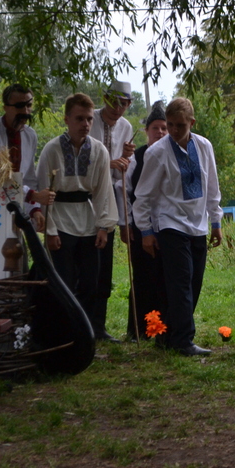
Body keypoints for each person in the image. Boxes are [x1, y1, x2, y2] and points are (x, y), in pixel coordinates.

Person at [132, 98, 223, 356]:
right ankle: (183, 340)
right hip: (170, 223)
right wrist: (146, 232)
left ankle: (168, 334)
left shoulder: (204, 146)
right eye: (169, 124)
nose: (173, 130)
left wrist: (215, 221)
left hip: (198, 223)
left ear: (192, 123)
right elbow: (143, 196)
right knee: (180, 281)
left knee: (194, 282)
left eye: (179, 125)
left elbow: (212, 186)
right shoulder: (157, 152)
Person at [36, 93, 119, 342]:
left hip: (88, 219)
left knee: (91, 283)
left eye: (89, 119)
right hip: (60, 220)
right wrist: (49, 230)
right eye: (79, 118)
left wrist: (104, 226)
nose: (85, 124)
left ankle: (87, 332)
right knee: (63, 281)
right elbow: (43, 191)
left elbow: (104, 190)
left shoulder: (99, 151)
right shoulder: (51, 149)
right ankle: (63, 332)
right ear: (67, 119)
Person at [88, 80, 136, 343]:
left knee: (104, 266)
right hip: (83, 199)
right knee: (84, 266)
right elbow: (84, 157)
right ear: (105, 98)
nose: (119, 108)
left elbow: (122, 171)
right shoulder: (89, 120)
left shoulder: (127, 127)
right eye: (115, 101)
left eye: (125, 103)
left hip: (108, 201)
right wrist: (111, 161)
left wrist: (126, 158)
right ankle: (80, 323)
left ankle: (99, 325)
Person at [118, 101, 168, 342]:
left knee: (163, 279)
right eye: (156, 128)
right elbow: (125, 191)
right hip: (140, 227)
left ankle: (158, 329)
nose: (160, 133)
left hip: (167, 226)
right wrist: (125, 223)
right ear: (147, 131)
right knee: (143, 280)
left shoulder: (172, 154)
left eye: (164, 129)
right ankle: (137, 331)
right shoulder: (137, 158)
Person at [0, 84, 55, 231]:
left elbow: (28, 177)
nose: (25, 111)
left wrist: (34, 210)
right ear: (6, 107)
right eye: (19, 106)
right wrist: (32, 195)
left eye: (29, 105)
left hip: (17, 209)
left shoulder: (30, 135)